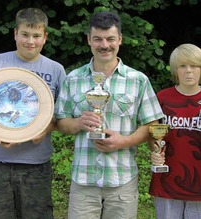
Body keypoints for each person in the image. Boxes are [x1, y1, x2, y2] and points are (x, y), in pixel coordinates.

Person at [54, 11, 165, 218]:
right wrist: (79, 123)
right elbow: (61, 123)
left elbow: (152, 125)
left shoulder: (138, 80)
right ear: (89, 40)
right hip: (84, 182)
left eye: (110, 39)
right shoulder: (73, 79)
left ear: (120, 40)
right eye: (98, 39)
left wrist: (124, 141)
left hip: (121, 181)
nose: (104, 45)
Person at [0, 8, 66, 218]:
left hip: (36, 165)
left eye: (37, 36)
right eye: (25, 35)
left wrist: (44, 129)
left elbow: (60, 115)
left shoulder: (56, 70)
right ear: (15, 34)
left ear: (45, 37)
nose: (31, 41)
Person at [148, 43, 201, 219]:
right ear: (175, 70)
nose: (188, 71)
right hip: (166, 179)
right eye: (182, 66)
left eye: (194, 65)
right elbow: (152, 135)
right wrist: (154, 152)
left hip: (200, 180)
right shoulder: (162, 98)